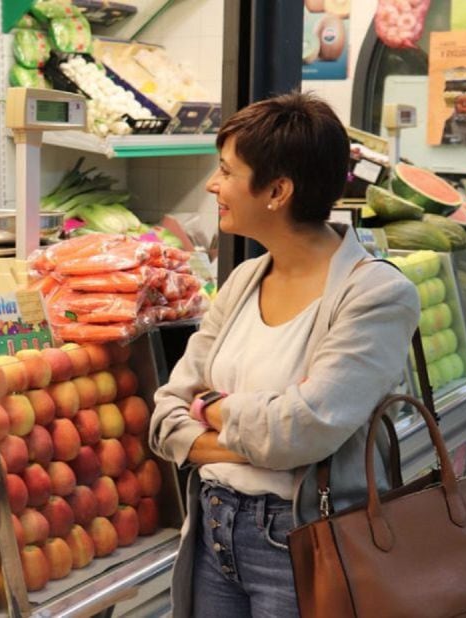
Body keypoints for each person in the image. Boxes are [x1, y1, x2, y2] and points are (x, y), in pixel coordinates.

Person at [149, 92, 419, 617]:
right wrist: (268, 441)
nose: (213, 185)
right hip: (212, 529)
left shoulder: (376, 295)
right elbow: (164, 419)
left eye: (226, 172)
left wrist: (208, 407)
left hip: (303, 537)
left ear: (277, 190)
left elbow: (302, 429)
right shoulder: (245, 279)